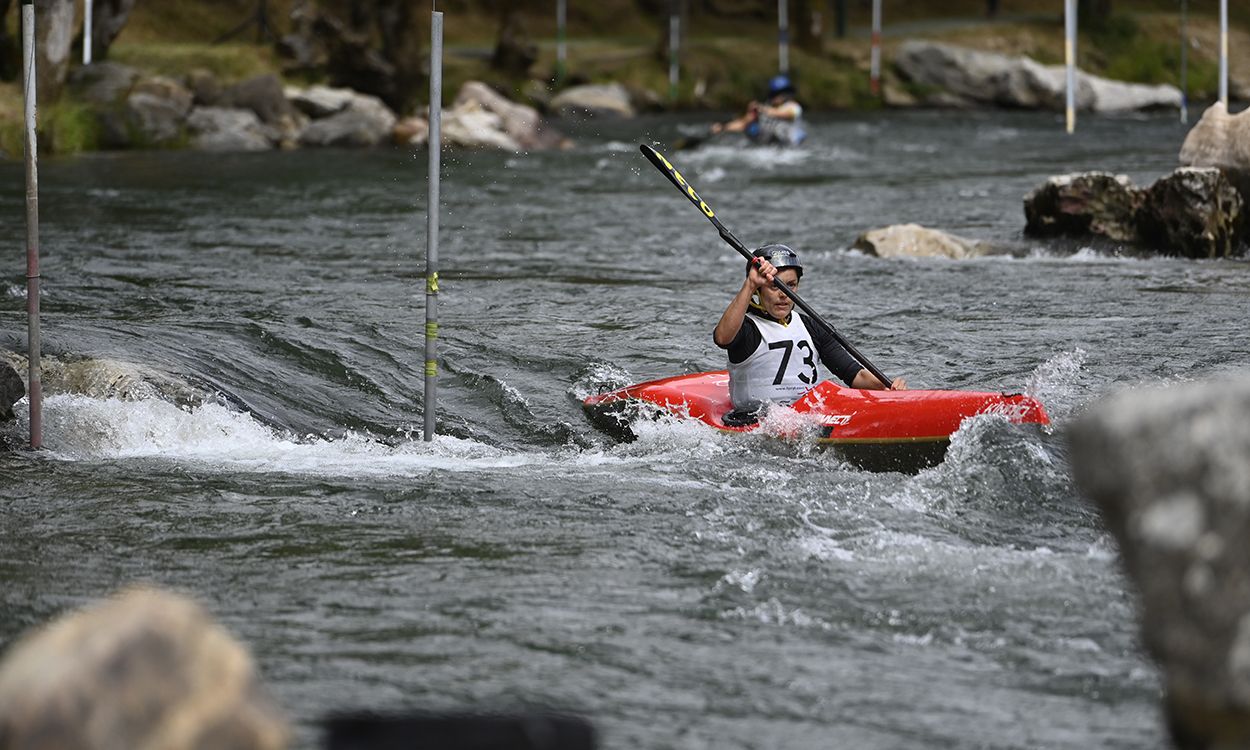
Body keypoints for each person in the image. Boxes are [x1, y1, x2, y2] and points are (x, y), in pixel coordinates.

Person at [713, 245, 905, 421]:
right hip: (755, 419)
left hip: (805, 416)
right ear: (759, 290)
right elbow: (722, 338)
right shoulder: (747, 328)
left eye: (791, 285)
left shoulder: (811, 326)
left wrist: (888, 389)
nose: (784, 294)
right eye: (775, 286)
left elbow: (855, 375)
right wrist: (750, 284)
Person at [710, 74, 807, 147]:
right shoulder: (764, 108)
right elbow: (743, 124)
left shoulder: (793, 107)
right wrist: (723, 127)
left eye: (783, 93)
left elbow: (783, 114)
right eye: (776, 94)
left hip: (789, 142)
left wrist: (761, 108)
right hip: (768, 144)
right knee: (751, 127)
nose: (779, 97)